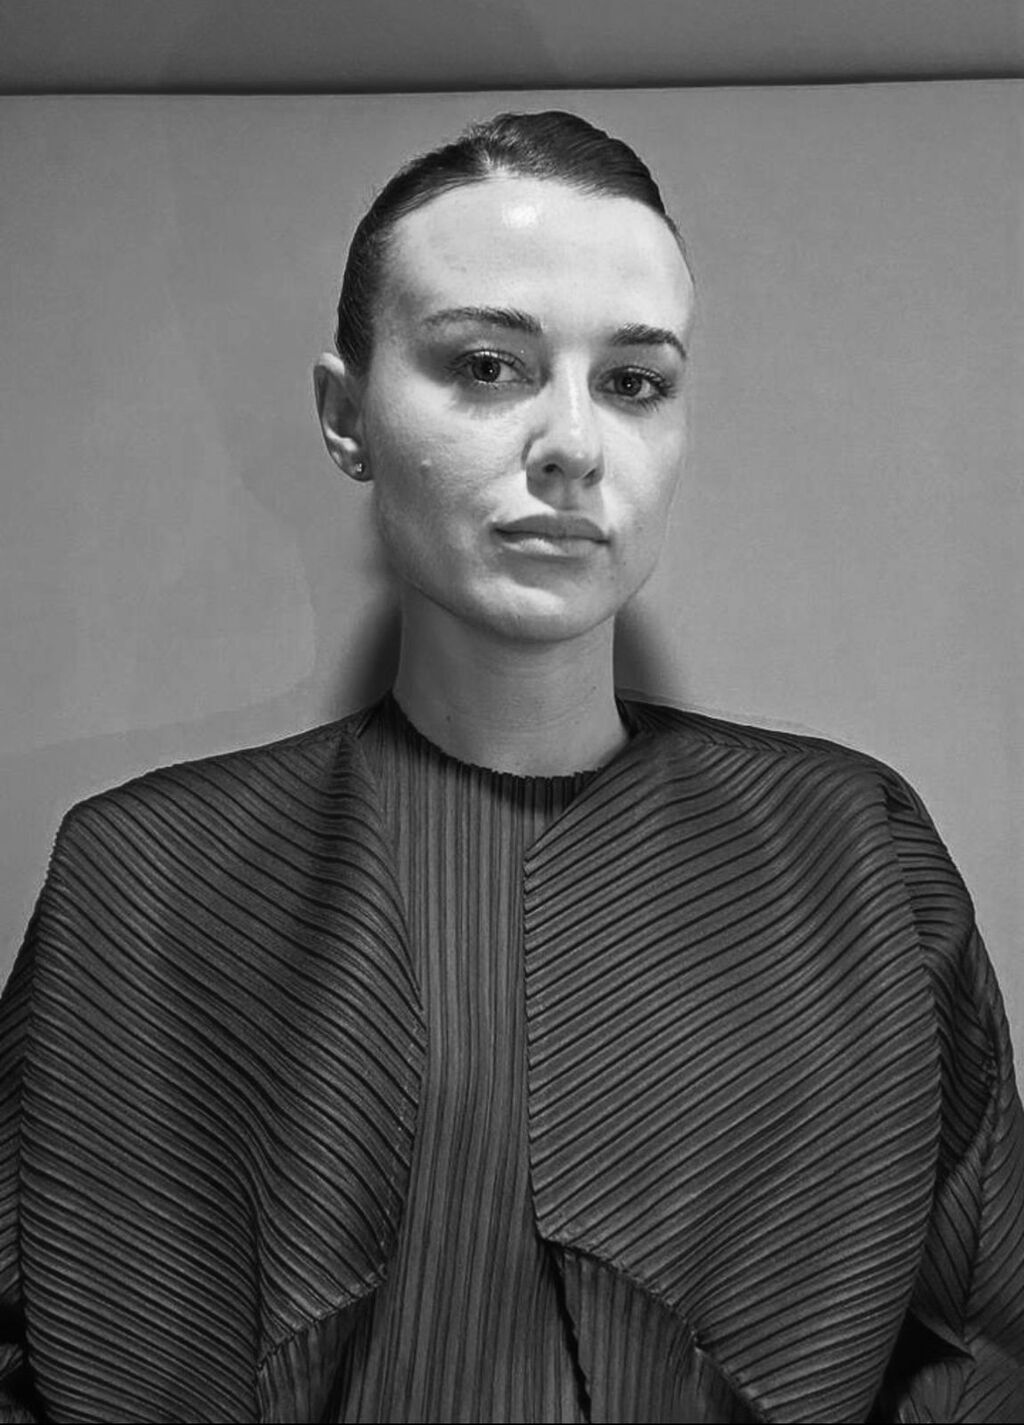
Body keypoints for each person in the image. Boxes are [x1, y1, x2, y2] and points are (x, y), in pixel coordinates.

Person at [1, 109, 1021, 1425]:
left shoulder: (852, 855)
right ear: (346, 414)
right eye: (488, 366)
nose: (573, 444)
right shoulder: (147, 882)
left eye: (635, 382)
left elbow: (983, 1344)